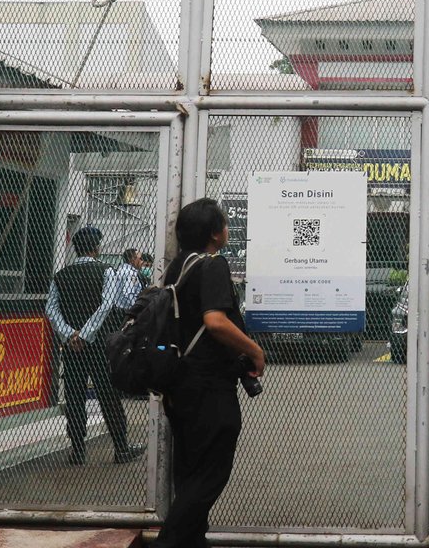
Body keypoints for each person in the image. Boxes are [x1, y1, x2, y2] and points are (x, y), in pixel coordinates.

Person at [154, 198, 265, 548]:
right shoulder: (213, 266)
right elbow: (215, 321)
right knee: (210, 475)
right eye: (225, 224)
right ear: (215, 233)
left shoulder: (176, 268)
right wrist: (254, 350)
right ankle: (167, 543)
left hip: (179, 385)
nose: (227, 230)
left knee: (190, 474)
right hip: (208, 388)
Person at [44, 226, 143, 465]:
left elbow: (51, 309)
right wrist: (86, 334)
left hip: (72, 347)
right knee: (108, 394)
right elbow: (106, 305)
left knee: (74, 395)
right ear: (97, 248)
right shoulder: (106, 271)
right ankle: (121, 447)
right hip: (99, 344)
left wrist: (70, 335)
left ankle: (77, 450)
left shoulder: (61, 275)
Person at [114, 248, 145, 314]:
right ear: (132, 259)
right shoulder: (130, 273)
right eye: (140, 258)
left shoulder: (122, 270)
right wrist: (136, 310)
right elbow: (128, 294)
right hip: (127, 311)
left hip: (120, 309)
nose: (142, 261)